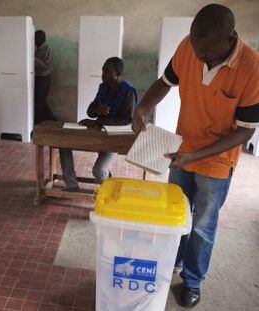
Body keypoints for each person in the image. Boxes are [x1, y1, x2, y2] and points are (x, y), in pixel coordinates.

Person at [132, 4, 259, 308]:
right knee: (175, 214)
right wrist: (142, 108)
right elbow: (165, 83)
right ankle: (172, 262)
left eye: (206, 53)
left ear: (229, 39)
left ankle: (192, 280)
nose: (199, 56)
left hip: (216, 161)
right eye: (195, 48)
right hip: (182, 149)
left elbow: (245, 132)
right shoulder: (190, 48)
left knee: (202, 224)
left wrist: (195, 156)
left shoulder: (252, 68)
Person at [60, 57, 137, 191]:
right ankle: (72, 185)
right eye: (102, 71)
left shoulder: (129, 91)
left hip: (113, 138)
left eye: (107, 72)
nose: (103, 75)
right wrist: (97, 110)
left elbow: (126, 121)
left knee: (98, 172)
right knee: (63, 143)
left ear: (118, 73)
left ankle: (111, 187)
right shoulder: (103, 88)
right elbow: (90, 111)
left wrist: (98, 122)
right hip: (96, 134)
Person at [34, 30, 56, 124]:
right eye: (35, 38)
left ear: (43, 39)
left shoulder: (47, 49)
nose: (35, 40)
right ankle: (51, 120)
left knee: (40, 101)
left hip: (44, 79)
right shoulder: (36, 50)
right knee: (40, 100)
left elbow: (46, 66)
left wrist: (34, 59)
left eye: (38, 38)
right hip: (37, 78)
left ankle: (40, 121)